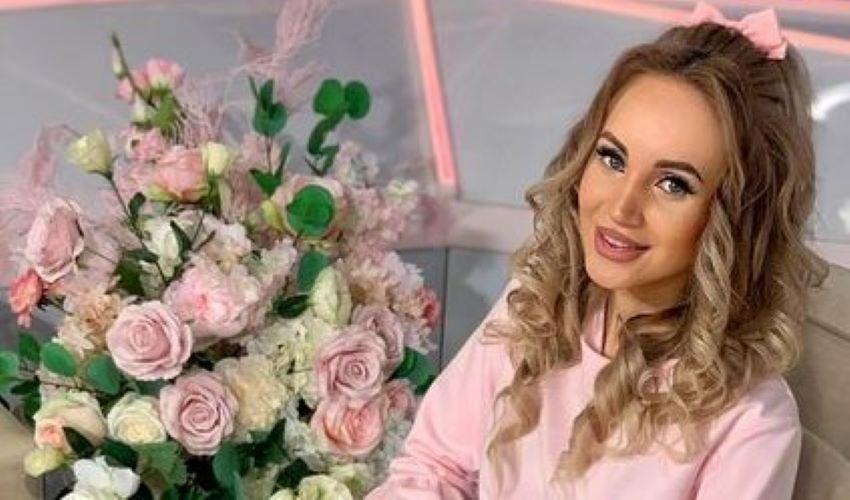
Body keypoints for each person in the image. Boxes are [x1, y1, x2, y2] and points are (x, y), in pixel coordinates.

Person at [365, 1, 829, 498]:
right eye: (612, 158)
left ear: (736, 219)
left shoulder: (752, 423)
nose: (622, 208)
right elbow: (435, 467)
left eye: (672, 184)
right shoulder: (534, 308)